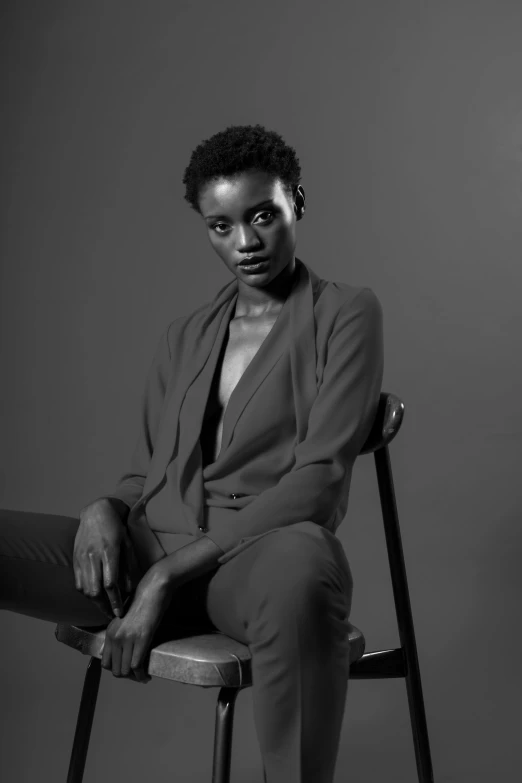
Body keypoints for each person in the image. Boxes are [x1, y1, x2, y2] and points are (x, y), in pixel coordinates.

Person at [0, 124, 384, 783]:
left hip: (254, 564)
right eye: (221, 225)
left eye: (263, 215)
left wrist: (165, 578)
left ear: (297, 200)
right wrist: (103, 507)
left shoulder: (345, 314)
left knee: (307, 563)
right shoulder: (186, 335)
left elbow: (319, 481)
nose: (246, 243)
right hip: (151, 547)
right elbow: (145, 474)